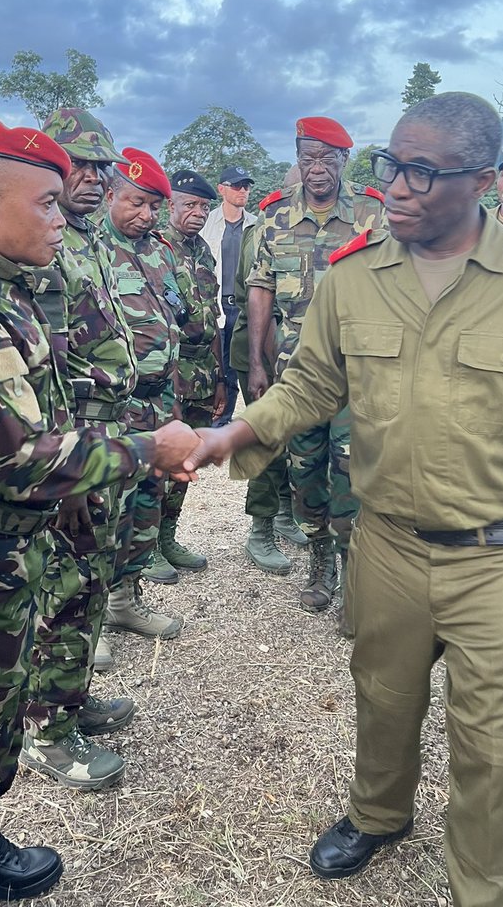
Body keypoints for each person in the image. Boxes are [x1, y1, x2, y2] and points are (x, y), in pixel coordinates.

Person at [186, 92, 503, 907]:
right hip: (388, 544)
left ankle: (484, 889)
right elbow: (312, 382)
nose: (396, 187)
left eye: (422, 173)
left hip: (502, 557)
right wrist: (238, 431)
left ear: (479, 183)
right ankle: (379, 813)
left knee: (492, 747)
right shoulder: (355, 274)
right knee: (384, 699)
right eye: (392, 165)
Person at [0, 121, 199, 907]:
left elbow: (52, 399)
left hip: (11, 546)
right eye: (47, 204)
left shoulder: (15, 288)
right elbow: (19, 454)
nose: (63, 220)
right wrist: (147, 448)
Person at [19, 106, 138, 790]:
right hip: (71, 447)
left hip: (102, 439)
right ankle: (48, 731)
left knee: (91, 580)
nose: (92, 177)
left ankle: (72, 696)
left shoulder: (86, 237)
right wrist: (66, 471)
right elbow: (44, 368)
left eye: (101, 167)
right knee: (64, 588)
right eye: (79, 164)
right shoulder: (37, 244)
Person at [246, 116, 383, 616]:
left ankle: (352, 571)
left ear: (345, 160)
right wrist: (257, 363)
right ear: (298, 160)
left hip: (355, 376)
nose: (317, 168)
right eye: (308, 158)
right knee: (304, 473)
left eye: (327, 158)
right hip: (297, 373)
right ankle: (319, 559)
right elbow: (260, 288)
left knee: (352, 474)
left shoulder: (373, 214)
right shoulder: (275, 217)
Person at [102, 149, 185, 637]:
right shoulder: (88, 249)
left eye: (154, 206)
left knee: (148, 503)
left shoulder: (160, 250)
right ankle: (91, 618)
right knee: (109, 507)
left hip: (160, 401)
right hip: (118, 405)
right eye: (137, 203)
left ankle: (125, 600)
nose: (147, 215)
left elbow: (175, 314)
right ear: (110, 194)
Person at [155, 169, 227, 578]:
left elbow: (212, 318)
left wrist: (219, 378)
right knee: (161, 458)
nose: (198, 213)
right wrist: (168, 379)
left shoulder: (203, 251)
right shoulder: (156, 247)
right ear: (171, 205)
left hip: (202, 371)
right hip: (170, 371)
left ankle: (168, 537)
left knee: (187, 459)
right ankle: (146, 546)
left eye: (204, 206)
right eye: (190, 205)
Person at [231, 198, 305, 575]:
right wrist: (274, 365)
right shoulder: (262, 231)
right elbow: (261, 301)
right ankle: (260, 530)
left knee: (296, 442)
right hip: (262, 353)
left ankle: (284, 516)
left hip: (295, 356)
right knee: (268, 441)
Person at [199, 165, 257, 426]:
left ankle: (240, 422)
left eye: (246, 186)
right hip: (216, 305)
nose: (242, 190)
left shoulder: (256, 225)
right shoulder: (206, 223)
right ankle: (215, 422)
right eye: (236, 186)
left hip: (245, 307)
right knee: (217, 366)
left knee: (243, 365)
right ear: (221, 189)